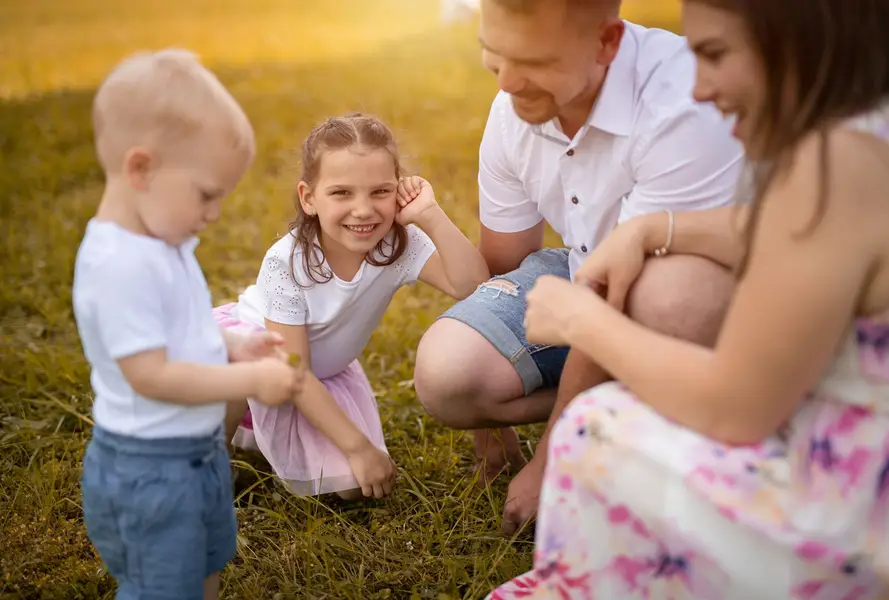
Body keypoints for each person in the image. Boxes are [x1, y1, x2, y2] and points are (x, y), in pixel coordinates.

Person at [488, 0, 889, 596]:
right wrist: (655, 229)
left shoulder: (831, 165)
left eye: (714, 55)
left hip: (855, 521)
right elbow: (787, 234)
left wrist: (583, 320)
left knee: (593, 427)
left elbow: (736, 405)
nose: (701, 88)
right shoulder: (873, 133)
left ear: (799, 39)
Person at [413, 0, 744, 533]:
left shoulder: (684, 101)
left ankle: (636, 422)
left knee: (668, 298)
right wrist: (485, 413)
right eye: (493, 55)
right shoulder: (514, 104)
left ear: (607, 43)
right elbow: (504, 262)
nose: (510, 82)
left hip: (697, 290)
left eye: (534, 61)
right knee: (448, 375)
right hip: (583, 270)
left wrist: (552, 460)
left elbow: (619, 292)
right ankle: (628, 409)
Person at [73, 50, 304, 600]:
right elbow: (152, 375)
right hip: (149, 470)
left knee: (204, 566)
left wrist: (231, 345)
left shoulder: (161, 240)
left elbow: (178, 328)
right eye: (206, 194)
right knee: (162, 586)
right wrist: (248, 384)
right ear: (141, 169)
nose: (215, 213)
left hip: (194, 453)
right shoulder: (119, 265)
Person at [213, 113, 490, 500]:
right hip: (269, 358)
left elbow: (473, 286)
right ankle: (212, 456)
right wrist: (358, 448)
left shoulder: (399, 244)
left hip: (322, 373)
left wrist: (429, 214)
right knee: (237, 364)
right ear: (309, 198)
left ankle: (267, 433)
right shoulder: (286, 263)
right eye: (342, 193)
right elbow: (294, 371)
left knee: (353, 491)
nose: (363, 210)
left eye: (380, 192)